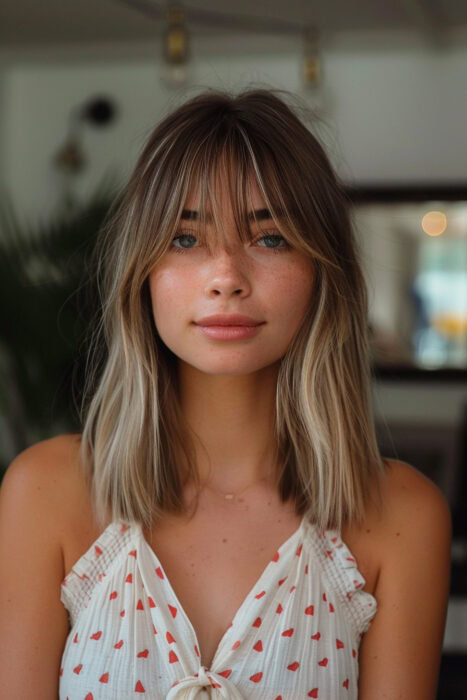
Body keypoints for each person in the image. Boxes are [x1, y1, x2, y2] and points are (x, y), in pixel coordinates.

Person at [0, 87, 451, 699]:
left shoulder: (401, 517)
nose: (226, 279)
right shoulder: (45, 494)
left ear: (323, 272)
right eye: (185, 239)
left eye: (270, 238)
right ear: (143, 272)